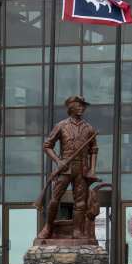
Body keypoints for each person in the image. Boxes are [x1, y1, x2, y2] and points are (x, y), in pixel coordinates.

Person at [37, 95, 99, 240]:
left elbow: (94, 150)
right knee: (55, 199)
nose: (82, 108)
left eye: (83, 106)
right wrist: (58, 161)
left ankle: (77, 231)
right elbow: (47, 146)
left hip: (82, 169)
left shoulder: (89, 128)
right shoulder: (61, 125)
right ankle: (48, 227)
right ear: (71, 107)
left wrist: (92, 170)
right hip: (65, 168)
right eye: (79, 105)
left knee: (80, 202)